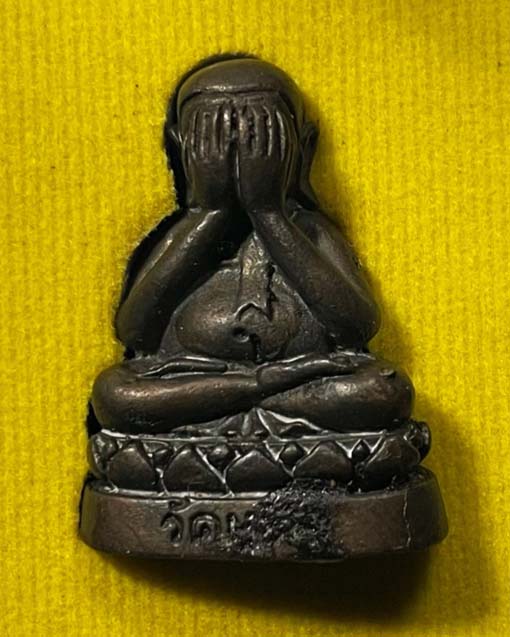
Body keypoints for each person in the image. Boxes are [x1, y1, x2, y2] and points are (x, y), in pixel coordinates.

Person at [91, 56, 414, 435]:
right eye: (210, 139)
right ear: (180, 151)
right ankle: (258, 394)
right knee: (115, 393)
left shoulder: (309, 231)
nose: (237, 156)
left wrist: (269, 214)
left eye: (263, 139)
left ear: (303, 148)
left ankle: (236, 405)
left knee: (381, 389)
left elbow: (355, 328)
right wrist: (210, 215)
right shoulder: (185, 232)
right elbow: (135, 331)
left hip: (292, 382)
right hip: (198, 376)